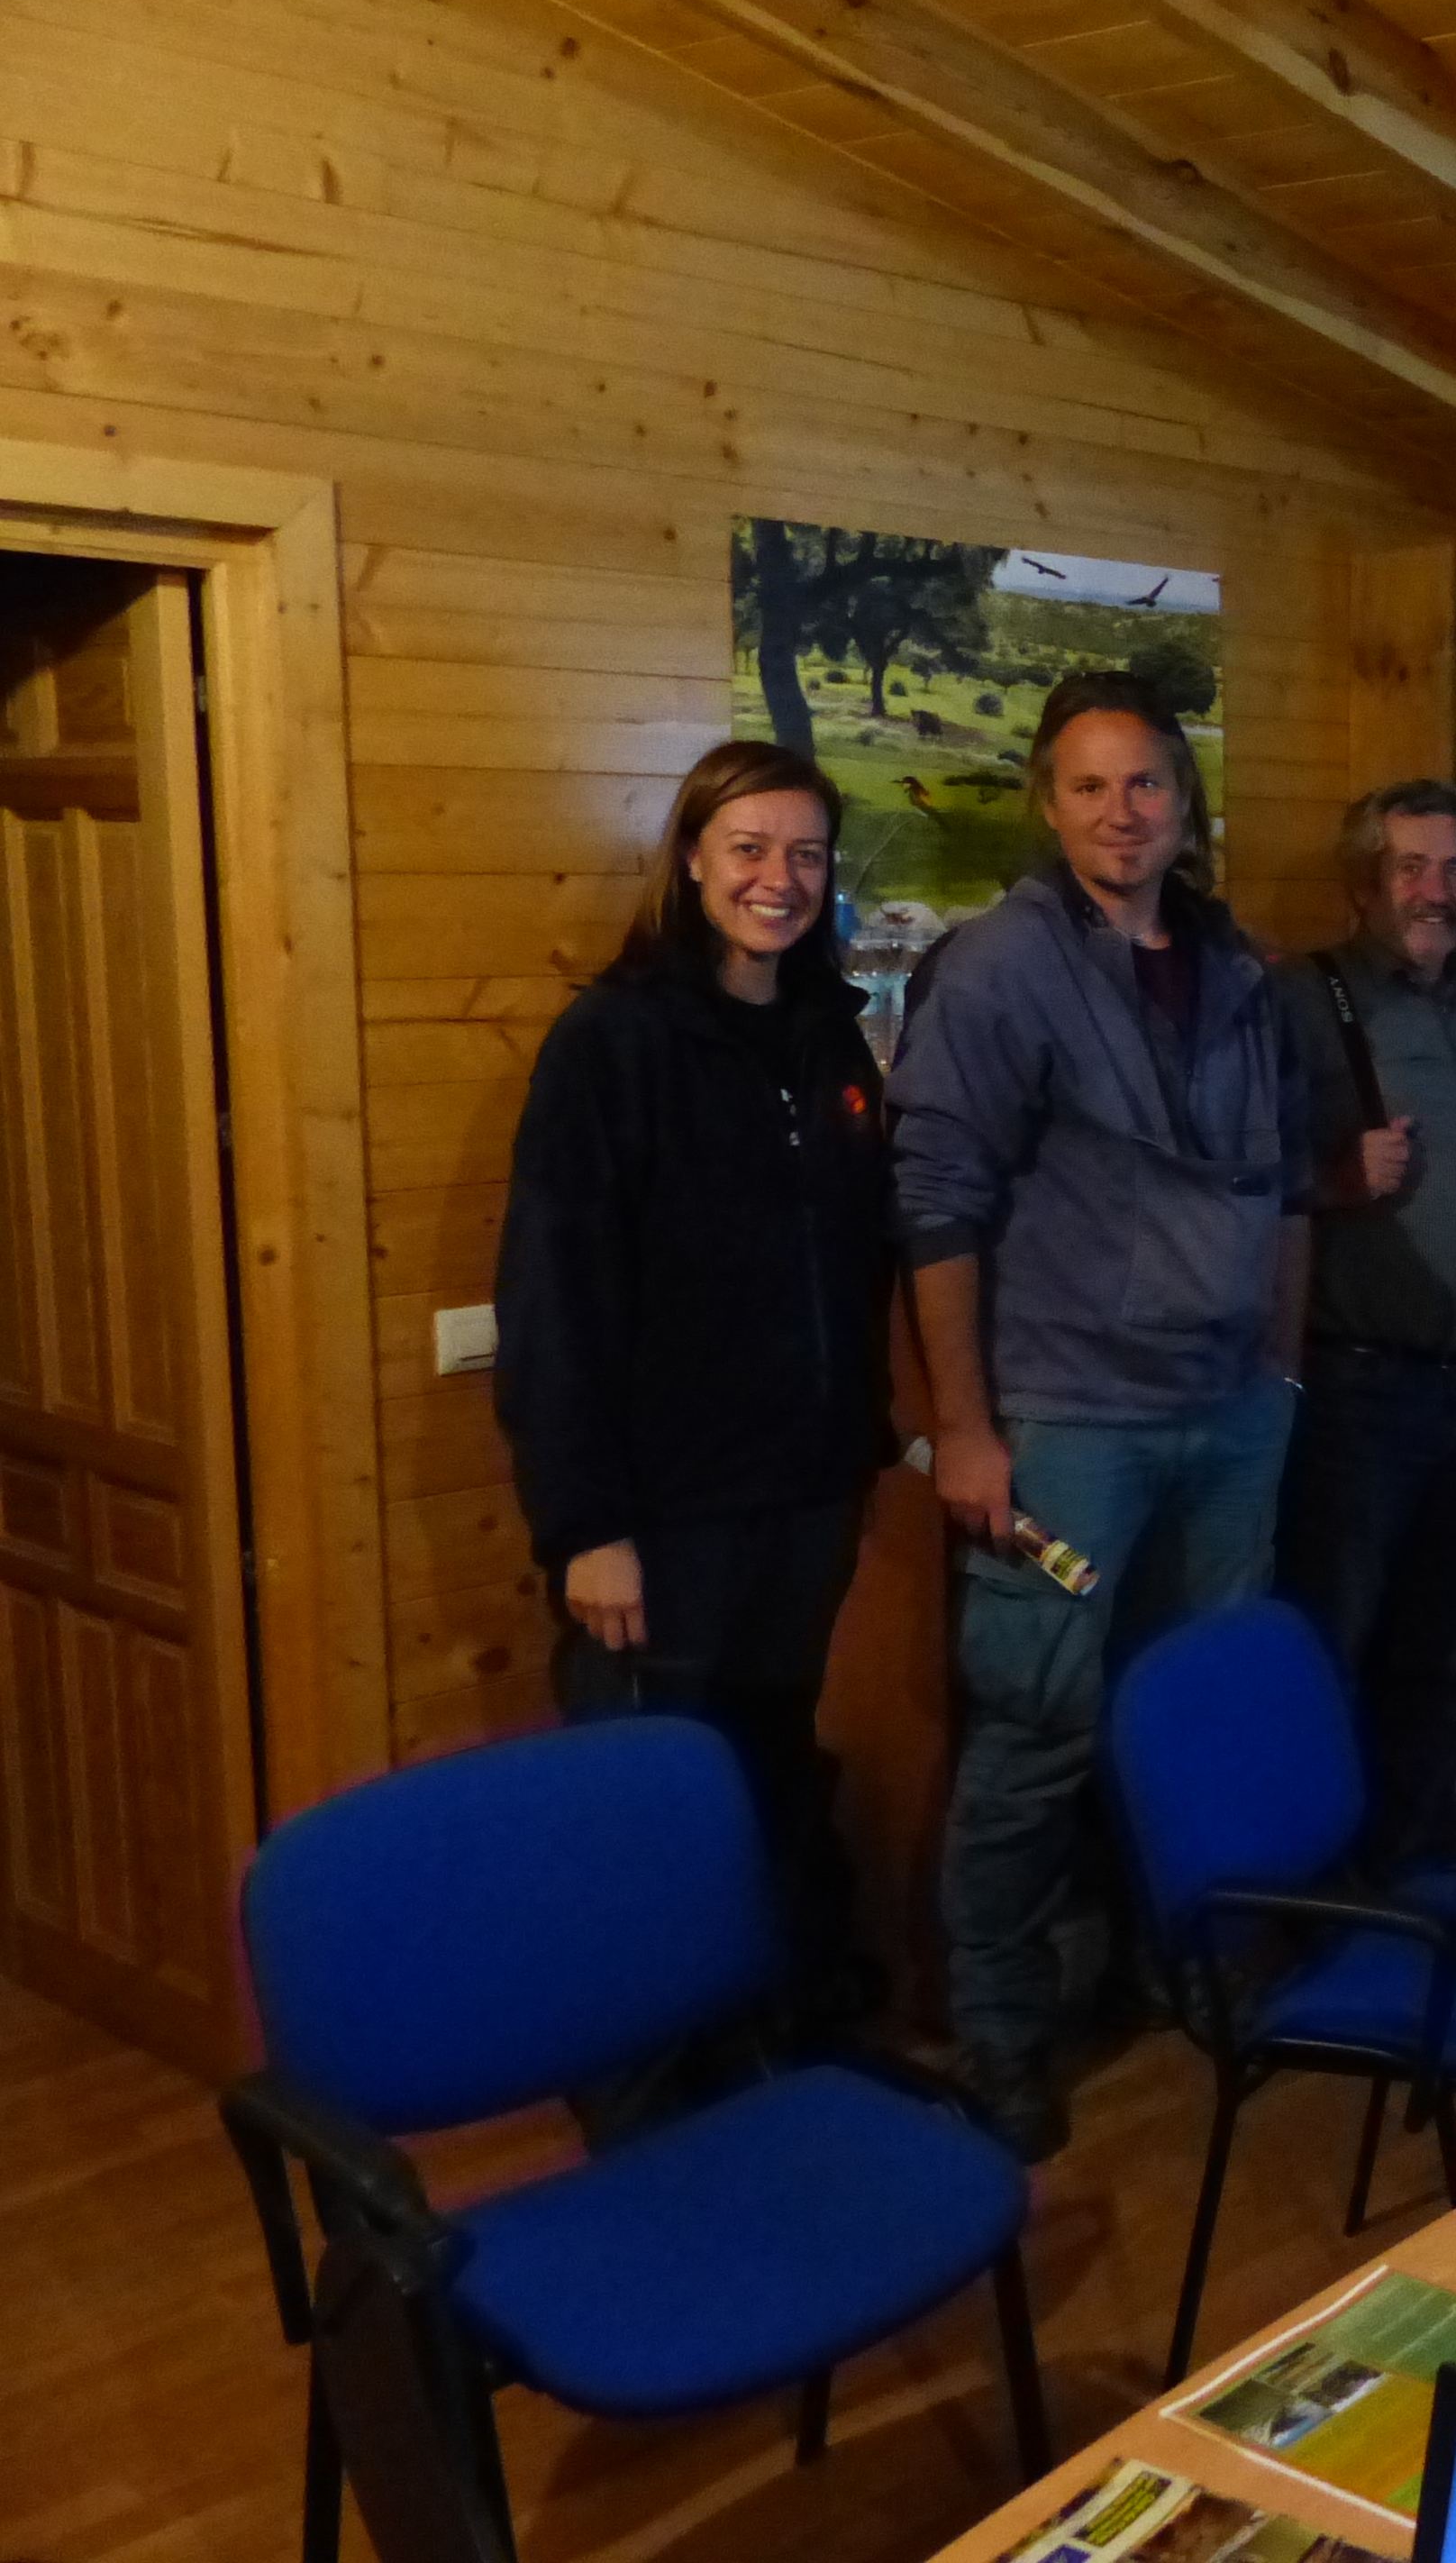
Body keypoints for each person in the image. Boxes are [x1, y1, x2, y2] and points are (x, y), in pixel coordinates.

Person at [888, 671, 1310, 2157]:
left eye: (1144, 784)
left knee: (1187, 1713)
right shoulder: (996, 970)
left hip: (1227, 1414)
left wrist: (1283, 1369)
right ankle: (1000, 2032)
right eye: (1087, 786)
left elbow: (1287, 1185)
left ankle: (1177, 1963)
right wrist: (968, 1430)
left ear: (1185, 804)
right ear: (1047, 805)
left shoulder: (1242, 969)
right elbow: (936, 1206)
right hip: (1068, 1420)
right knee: (1039, 1724)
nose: (1119, 812)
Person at [496, 738, 889, 2031]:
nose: (780, 878)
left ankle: (769, 2053)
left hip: (806, 1500)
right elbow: (552, 1300)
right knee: (642, 1806)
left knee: (767, 1778)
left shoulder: (829, 1037)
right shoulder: (612, 1041)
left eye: (807, 855)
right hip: (662, 1522)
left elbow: (851, 1254)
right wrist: (586, 1529)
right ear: (691, 861)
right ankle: (641, 2092)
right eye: (750, 849)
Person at [1275, 781, 1456, 1865]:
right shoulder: (1303, 1001)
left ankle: (1416, 1874)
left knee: (1447, 1656)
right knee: (1331, 1646)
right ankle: (1318, 1889)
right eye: (1412, 868)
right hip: (1362, 1389)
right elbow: (1235, 1173)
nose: (1438, 891)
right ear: (1363, 882)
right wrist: (1334, 1177)